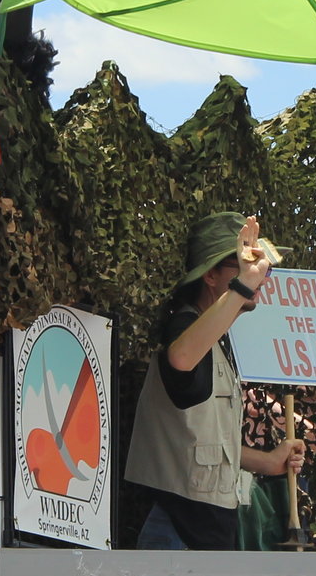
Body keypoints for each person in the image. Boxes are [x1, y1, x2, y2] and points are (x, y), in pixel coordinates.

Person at [123, 212, 304, 551]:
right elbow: (180, 358)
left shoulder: (217, 340)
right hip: (176, 530)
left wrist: (266, 462)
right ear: (210, 276)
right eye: (246, 264)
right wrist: (241, 288)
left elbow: (203, 443)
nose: (261, 275)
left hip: (203, 533)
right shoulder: (186, 326)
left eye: (263, 267)